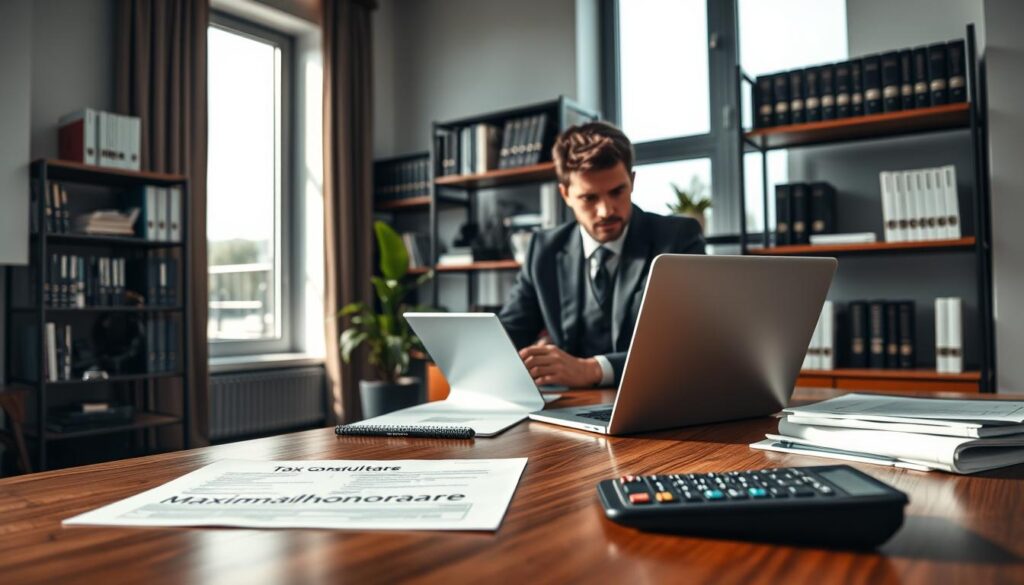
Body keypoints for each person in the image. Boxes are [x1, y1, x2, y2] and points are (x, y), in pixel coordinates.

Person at [498, 121, 706, 388]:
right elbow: (509, 334)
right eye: (589, 198)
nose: (606, 210)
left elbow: (689, 345)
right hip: (569, 409)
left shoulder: (678, 239)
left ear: (632, 181)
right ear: (565, 194)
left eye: (617, 191)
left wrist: (593, 370)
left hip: (655, 395)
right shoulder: (544, 249)